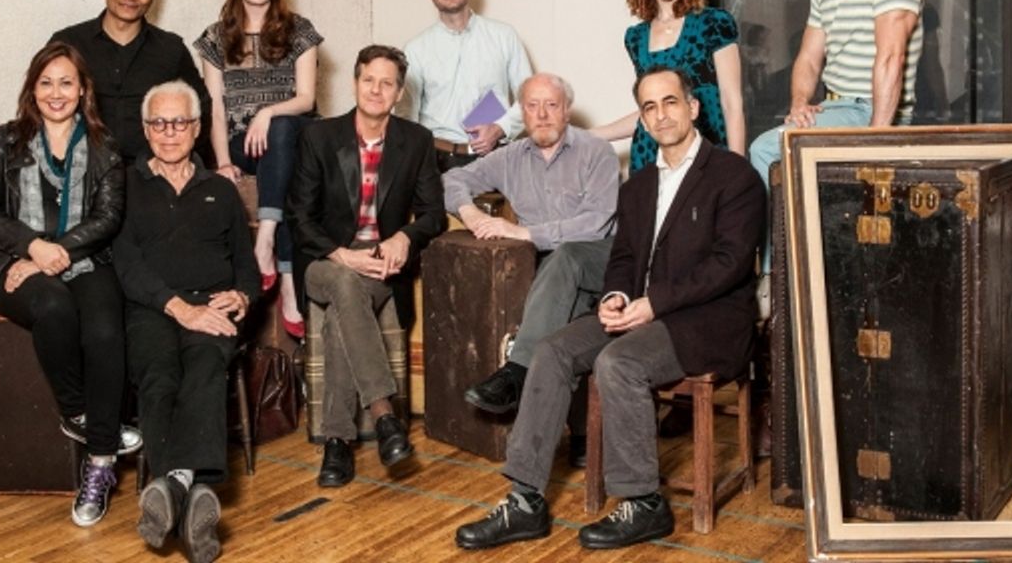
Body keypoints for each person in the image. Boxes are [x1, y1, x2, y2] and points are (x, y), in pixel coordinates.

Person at [454, 66, 765, 551]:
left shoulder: (733, 176)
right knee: (553, 351)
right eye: (649, 107)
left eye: (669, 102)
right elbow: (622, 257)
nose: (660, 115)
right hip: (643, 311)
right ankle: (525, 500)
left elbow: (728, 265)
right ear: (640, 121)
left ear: (693, 108)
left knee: (618, 361)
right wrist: (618, 296)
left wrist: (651, 303)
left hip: (709, 321)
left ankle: (644, 502)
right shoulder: (639, 185)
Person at [0, 41, 140, 528]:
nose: (56, 92)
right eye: (46, 82)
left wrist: (53, 252)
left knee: (106, 329)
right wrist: (30, 247)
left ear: (82, 88)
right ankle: (83, 416)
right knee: (53, 306)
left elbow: (108, 217)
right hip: (13, 267)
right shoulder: (1, 142)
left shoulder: (106, 148)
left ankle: (101, 465)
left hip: (85, 261)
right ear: (32, 88)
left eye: (67, 81)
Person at [747, 0, 924, 276]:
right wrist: (798, 106)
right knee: (775, 145)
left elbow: (890, 57)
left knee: (764, 149)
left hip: (871, 111)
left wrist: (876, 143)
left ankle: (773, 279)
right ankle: (788, 273)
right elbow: (809, 59)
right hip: (837, 107)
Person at [286, 45, 445, 488]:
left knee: (345, 308)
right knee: (340, 280)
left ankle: (337, 445)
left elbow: (433, 213)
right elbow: (299, 216)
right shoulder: (320, 137)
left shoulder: (415, 141)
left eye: (387, 83)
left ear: (398, 94)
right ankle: (383, 414)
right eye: (368, 79)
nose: (376, 89)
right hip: (324, 260)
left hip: (378, 267)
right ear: (355, 82)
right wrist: (340, 252)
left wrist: (402, 238)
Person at [113, 81, 259, 563]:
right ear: (145, 128)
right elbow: (127, 264)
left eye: (179, 122)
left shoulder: (220, 188)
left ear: (197, 128)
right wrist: (177, 307)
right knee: (158, 371)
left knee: (202, 368)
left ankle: (171, 484)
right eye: (158, 122)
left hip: (212, 306)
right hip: (151, 307)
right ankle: (192, 490)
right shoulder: (126, 185)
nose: (168, 132)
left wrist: (241, 294)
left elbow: (246, 264)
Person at [445, 74, 619, 445]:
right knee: (565, 322)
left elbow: (596, 222)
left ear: (567, 111)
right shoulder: (509, 157)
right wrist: (471, 214)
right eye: (532, 106)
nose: (542, 115)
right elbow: (454, 178)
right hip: (549, 273)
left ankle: (518, 371)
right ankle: (582, 435)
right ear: (521, 113)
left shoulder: (596, 151)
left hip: (601, 260)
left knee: (567, 255)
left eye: (551, 105)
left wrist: (526, 233)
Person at [194, 0, 322, 338]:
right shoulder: (215, 37)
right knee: (280, 173)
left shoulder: (299, 30)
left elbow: (306, 98)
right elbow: (215, 108)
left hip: (291, 135)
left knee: (281, 134)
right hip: (239, 143)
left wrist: (267, 112)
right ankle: (287, 282)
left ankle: (267, 246)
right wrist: (221, 161)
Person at [592, 0, 745, 169]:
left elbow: (731, 102)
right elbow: (652, 111)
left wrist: (738, 168)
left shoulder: (714, 23)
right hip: (650, 155)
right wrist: (592, 135)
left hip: (708, 152)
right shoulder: (636, 38)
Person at [51, 0, 211, 165]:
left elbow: (201, 110)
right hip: (83, 171)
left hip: (152, 175)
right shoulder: (69, 43)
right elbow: (39, 104)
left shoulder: (170, 49)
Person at [402, 0, 533, 171]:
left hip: (495, 156)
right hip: (436, 159)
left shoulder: (504, 36)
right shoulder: (416, 49)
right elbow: (406, 118)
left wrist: (500, 128)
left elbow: (530, 98)